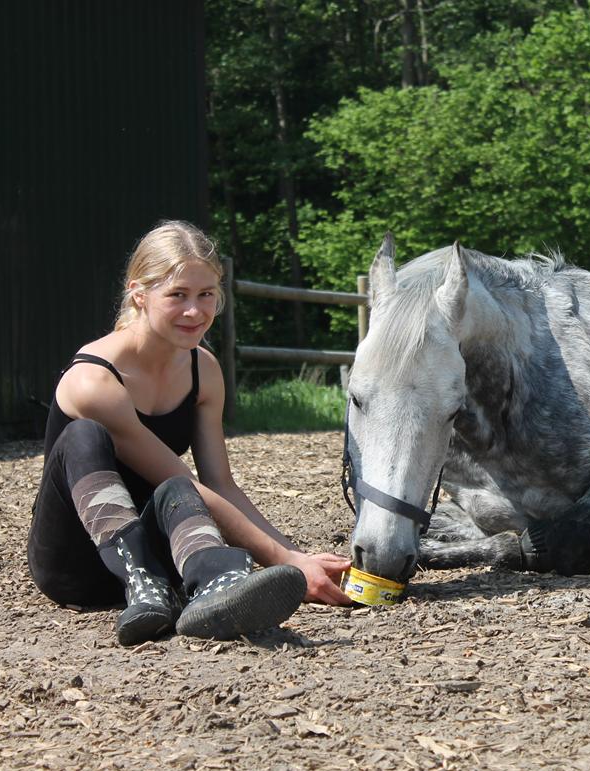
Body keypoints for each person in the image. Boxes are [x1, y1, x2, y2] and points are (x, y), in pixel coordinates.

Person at [27, 220, 351, 646]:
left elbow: (219, 485)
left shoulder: (204, 369)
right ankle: (147, 585)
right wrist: (284, 561)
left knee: (179, 488)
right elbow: (176, 476)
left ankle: (214, 589)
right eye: (177, 295)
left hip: (168, 563)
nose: (195, 311)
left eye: (206, 295)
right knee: (86, 437)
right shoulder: (94, 381)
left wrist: (293, 558)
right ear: (139, 292)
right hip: (78, 565)